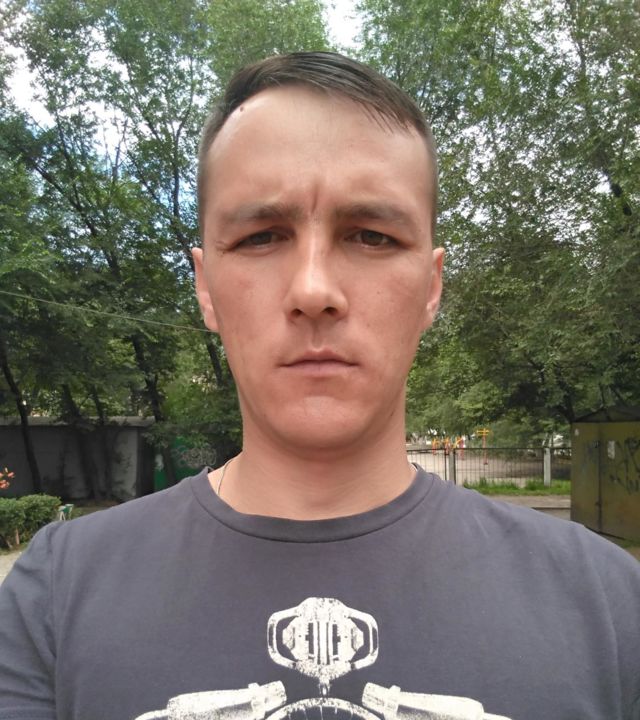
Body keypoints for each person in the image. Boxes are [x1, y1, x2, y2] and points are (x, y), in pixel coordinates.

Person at [1, 52, 639, 720]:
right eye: (261, 237)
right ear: (205, 288)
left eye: (371, 235)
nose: (313, 289)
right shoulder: (57, 596)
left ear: (431, 288)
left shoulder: (607, 604)